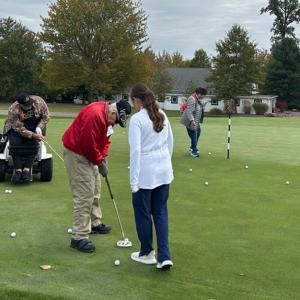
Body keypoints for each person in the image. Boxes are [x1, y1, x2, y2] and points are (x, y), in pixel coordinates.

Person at [62, 99, 131, 253]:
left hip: (89, 154)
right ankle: (79, 237)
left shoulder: (109, 120)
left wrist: (103, 157)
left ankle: (94, 223)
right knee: (84, 193)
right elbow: (88, 144)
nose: (115, 124)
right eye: (117, 121)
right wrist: (100, 162)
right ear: (113, 113)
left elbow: (105, 140)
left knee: (96, 188)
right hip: (77, 153)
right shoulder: (95, 115)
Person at [129, 83, 174, 270]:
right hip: (163, 171)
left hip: (146, 173)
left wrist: (134, 180)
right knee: (161, 212)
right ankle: (164, 256)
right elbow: (170, 142)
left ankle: (147, 252)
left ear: (136, 100)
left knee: (143, 213)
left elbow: (136, 151)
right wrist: (165, 165)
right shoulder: (162, 114)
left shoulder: (137, 119)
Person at [3, 92, 50, 183]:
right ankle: (18, 169)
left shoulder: (39, 101)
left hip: (34, 125)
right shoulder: (13, 109)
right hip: (16, 128)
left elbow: (46, 117)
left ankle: (27, 169)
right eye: (25, 105)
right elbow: (18, 127)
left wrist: (39, 128)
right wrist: (32, 135)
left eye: (29, 104)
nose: (28, 107)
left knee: (33, 144)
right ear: (20, 104)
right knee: (15, 144)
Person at [183, 87, 207, 157]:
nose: (203, 97)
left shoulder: (197, 99)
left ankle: (192, 147)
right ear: (199, 94)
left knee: (198, 132)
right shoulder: (192, 99)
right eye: (203, 95)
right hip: (190, 121)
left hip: (196, 121)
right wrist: (192, 120)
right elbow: (189, 111)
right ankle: (193, 151)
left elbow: (198, 108)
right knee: (194, 135)